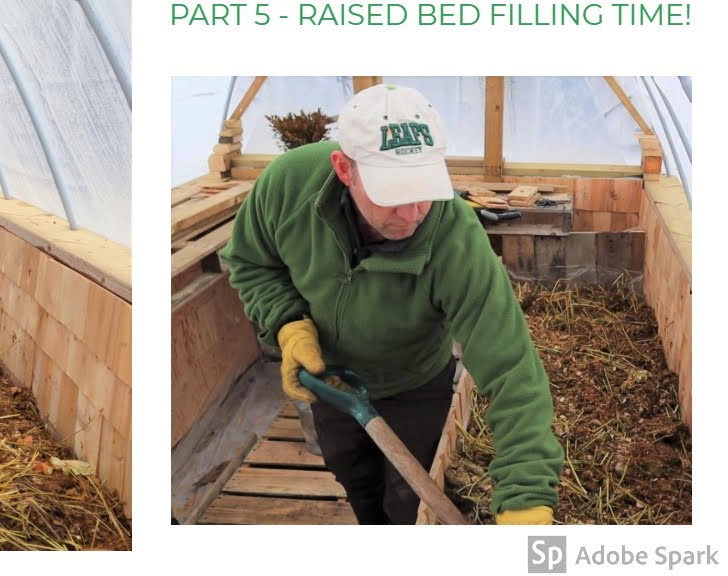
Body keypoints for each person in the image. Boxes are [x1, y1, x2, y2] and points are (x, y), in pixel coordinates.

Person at [219, 83, 563, 525]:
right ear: (345, 169)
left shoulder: (454, 238)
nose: (413, 212)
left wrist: (526, 495)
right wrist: (287, 324)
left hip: (416, 382)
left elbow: (511, 367)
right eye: (393, 193)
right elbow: (251, 262)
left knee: (409, 499)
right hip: (333, 381)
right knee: (352, 474)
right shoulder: (289, 186)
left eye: (424, 188)